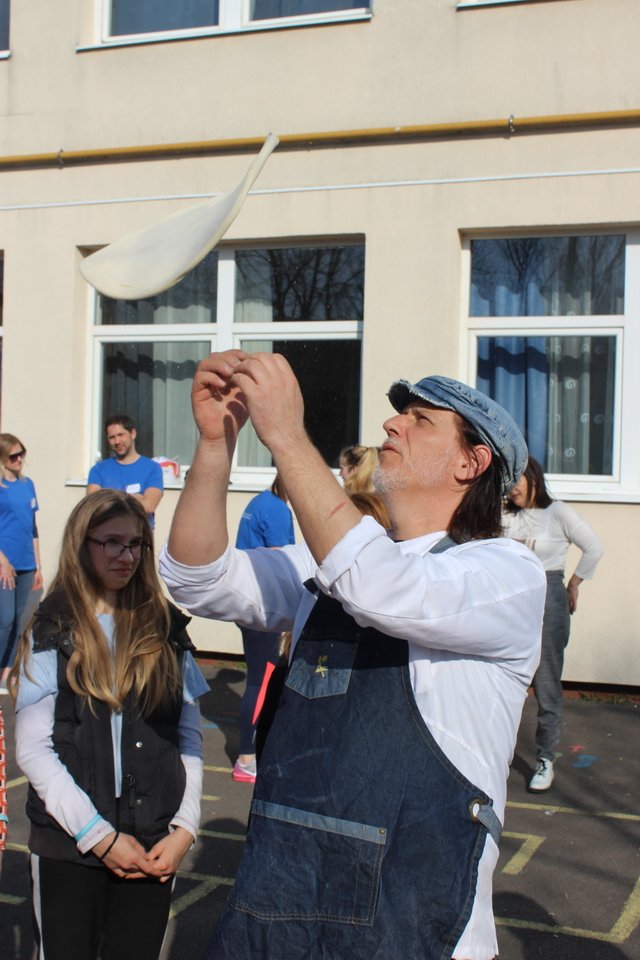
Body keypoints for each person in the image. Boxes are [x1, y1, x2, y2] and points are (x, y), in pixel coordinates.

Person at [159, 350, 546, 960]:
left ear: (472, 463)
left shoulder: (507, 573)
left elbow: (383, 589)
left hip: (419, 930)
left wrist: (285, 432)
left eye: (421, 419)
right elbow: (198, 578)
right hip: (282, 912)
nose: (391, 426)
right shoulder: (333, 564)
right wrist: (215, 446)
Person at [9, 490, 207, 960]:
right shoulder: (51, 627)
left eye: (136, 544)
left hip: (152, 844)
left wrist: (185, 828)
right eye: (112, 543)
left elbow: (190, 737)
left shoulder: (166, 628)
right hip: (69, 845)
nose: (127, 556)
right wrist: (98, 836)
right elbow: (34, 750)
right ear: (83, 545)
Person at [503, 456, 603, 793]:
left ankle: (545, 759)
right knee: (503, 680)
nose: (513, 487)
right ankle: (497, 757)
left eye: (518, 479)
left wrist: (574, 584)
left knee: (545, 682)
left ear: (534, 478)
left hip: (549, 598)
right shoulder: (503, 514)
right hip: (511, 599)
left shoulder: (556, 513)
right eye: (508, 480)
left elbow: (594, 547)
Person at [233, 473, 295, 784]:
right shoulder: (277, 509)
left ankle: (249, 752)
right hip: (263, 606)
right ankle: (247, 757)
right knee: (262, 681)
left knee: (258, 679)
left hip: (251, 604)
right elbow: (281, 559)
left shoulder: (260, 501)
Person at [0, 434, 43, 694]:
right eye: (13, 456)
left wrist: (39, 566)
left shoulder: (28, 485)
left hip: (27, 564)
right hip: (5, 565)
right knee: (4, 620)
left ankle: (9, 672)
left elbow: (33, 528)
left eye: (21, 454)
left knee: (22, 622)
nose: (19, 460)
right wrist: (3, 561)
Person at [87, 415, 164, 525]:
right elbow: (91, 508)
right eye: (112, 437)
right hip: (107, 536)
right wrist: (137, 497)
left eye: (120, 435)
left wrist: (108, 500)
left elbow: (149, 506)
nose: (117, 441)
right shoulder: (98, 470)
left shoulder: (152, 468)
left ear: (133, 434)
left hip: (139, 537)